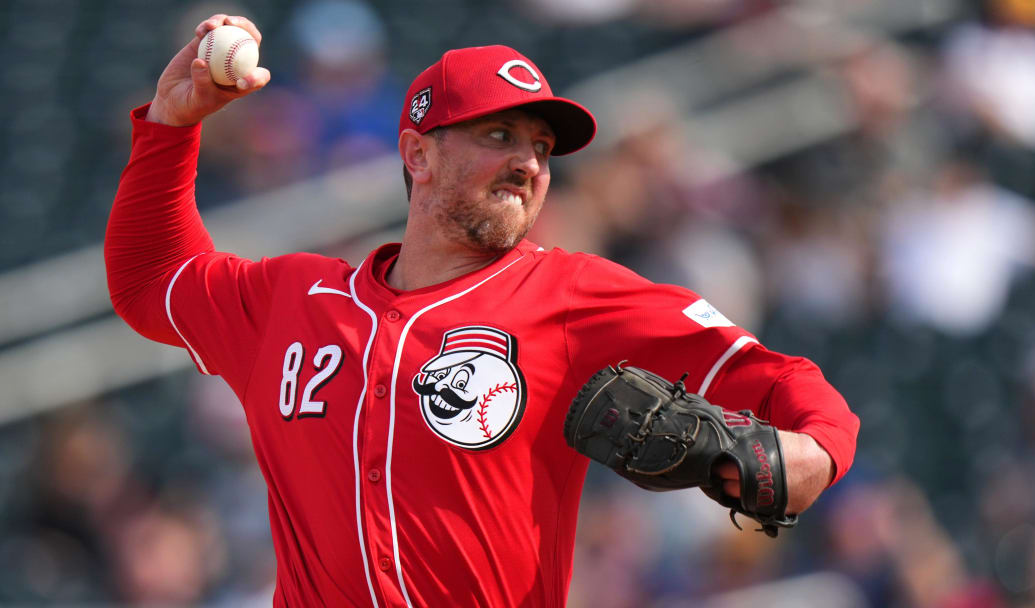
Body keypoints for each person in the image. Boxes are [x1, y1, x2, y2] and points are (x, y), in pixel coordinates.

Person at [106, 14, 859, 607]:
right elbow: (151, 280)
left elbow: (773, 375)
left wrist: (818, 447)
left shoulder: (572, 296)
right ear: (418, 154)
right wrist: (173, 129)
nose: (529, 161)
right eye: (498, 133)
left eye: (540, 145)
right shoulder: (293, 300)